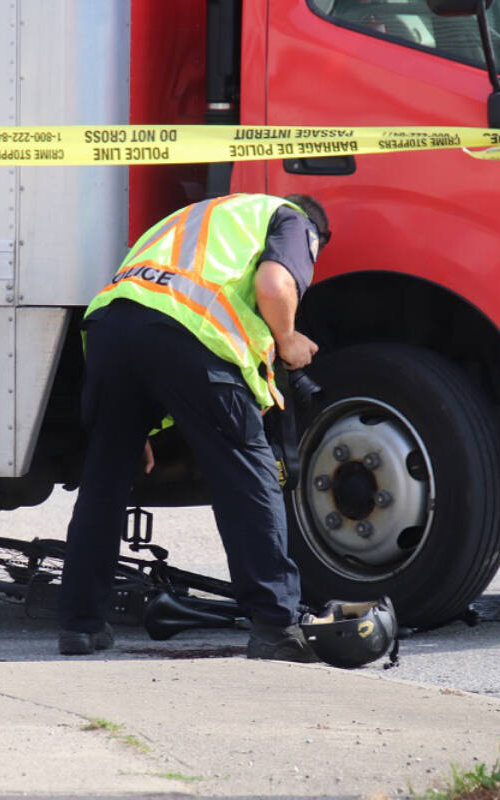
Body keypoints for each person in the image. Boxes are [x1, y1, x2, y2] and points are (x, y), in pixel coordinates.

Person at [57, 192, 331, 662]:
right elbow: (272, 284)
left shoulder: (191, 217)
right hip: (190, 336)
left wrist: (136, 424)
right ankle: (274, 625)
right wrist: (287, 340)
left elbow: (140, 304)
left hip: (108, 331)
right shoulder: (292, 220)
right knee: (247, 475)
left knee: (104, 479)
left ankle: (81, 625)